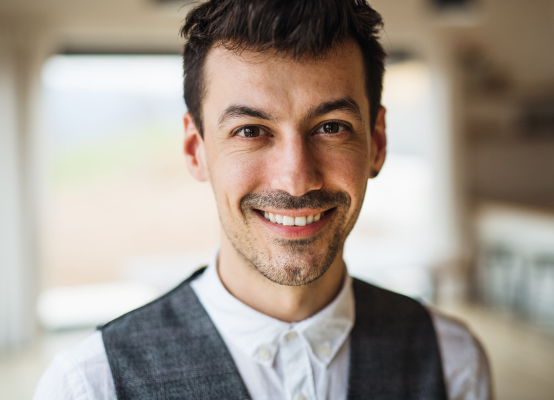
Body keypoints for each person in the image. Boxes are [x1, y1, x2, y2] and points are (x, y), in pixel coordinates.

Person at [34, 0, 492, 399]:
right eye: (250, 131)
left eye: (331, 127)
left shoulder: (455, 362)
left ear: (376, 142)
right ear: (197, 151)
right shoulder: (89, 386)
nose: (296, 181)